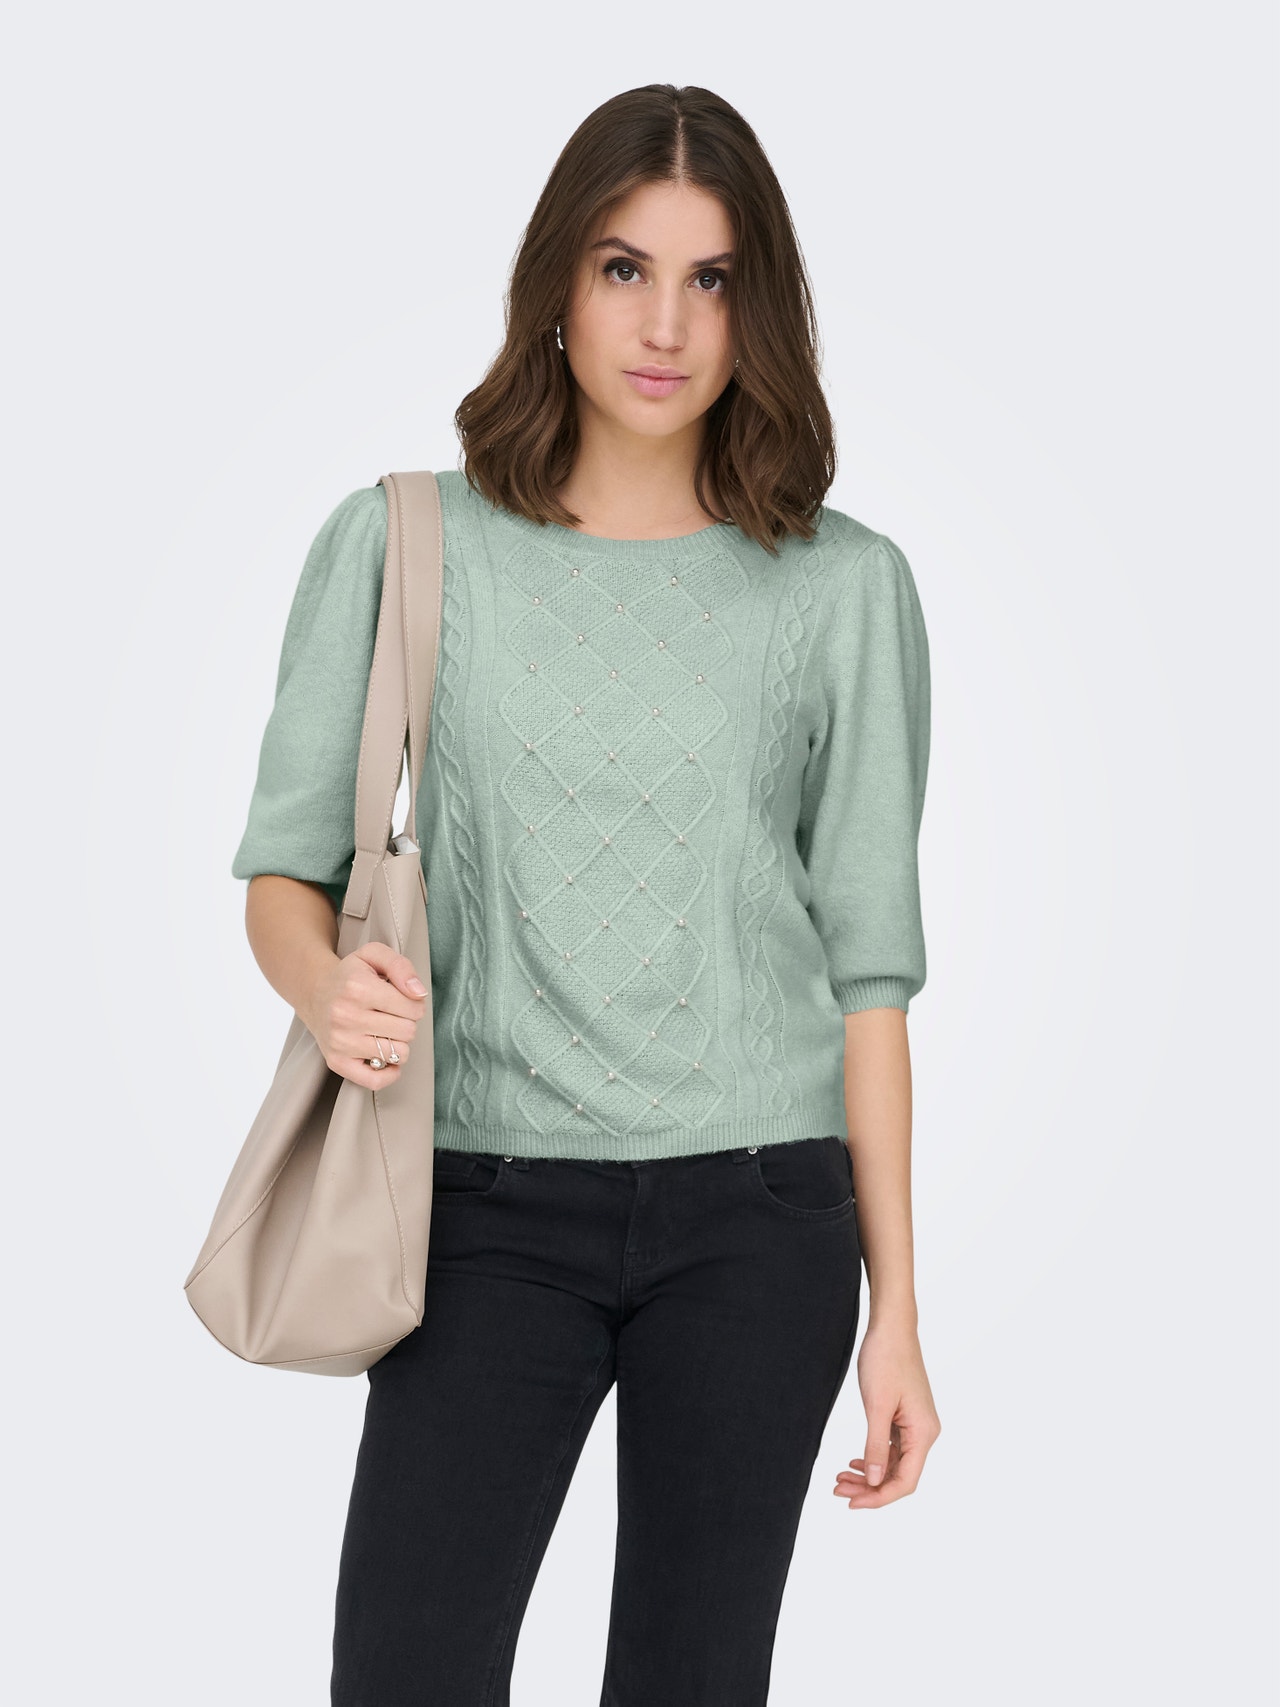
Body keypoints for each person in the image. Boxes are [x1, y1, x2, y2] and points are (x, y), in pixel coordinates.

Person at [231, 82, 941, 1707]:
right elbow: (283, 870)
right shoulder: (408, 541)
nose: (666, 325)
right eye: (625, 268)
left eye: (711, 278)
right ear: (557, 281)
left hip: (762, 1220)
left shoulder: (846, 587)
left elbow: (872, 980)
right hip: (478, 1204)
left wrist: (898, 1311)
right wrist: (323, 986)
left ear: (759, 308)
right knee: (404, 1674)